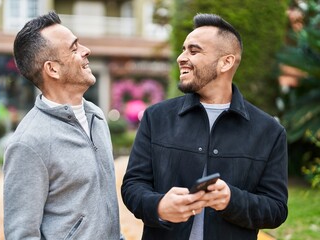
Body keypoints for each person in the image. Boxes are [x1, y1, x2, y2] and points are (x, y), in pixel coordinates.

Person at [121, 13, 288, 240]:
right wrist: (158, 206)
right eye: (183, 49)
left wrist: (231, 200)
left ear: (226, 62)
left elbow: (276, 209)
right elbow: (133, 186)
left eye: (194, 50)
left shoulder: (269, 131)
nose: (181, 57)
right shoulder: (156, 117)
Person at [3, 11, 120, 239]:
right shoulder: (28, 143)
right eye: (74, 48)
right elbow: (22, 234)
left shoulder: (96, 116)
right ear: (52, 69)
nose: (87, 51)